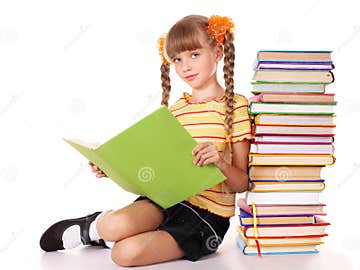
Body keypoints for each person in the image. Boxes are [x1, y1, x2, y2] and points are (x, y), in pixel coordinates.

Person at [39, 14, 252, 267]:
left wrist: (219, 162)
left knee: (124, 254)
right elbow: (156, 170)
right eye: (177, 59)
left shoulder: (236, 107)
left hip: (206, 218)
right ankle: (94, 227)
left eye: (194, 55)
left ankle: (109, 239)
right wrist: (113, 168)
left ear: (217, 53)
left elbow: (242, 183)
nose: (185, 66)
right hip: (167, 200)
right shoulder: (176, 111)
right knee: (116, 224)